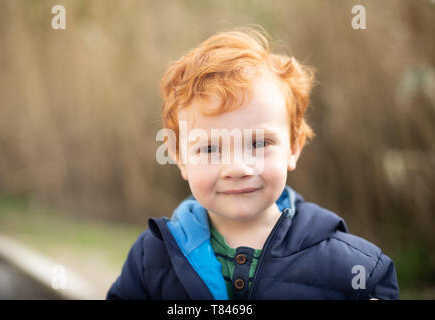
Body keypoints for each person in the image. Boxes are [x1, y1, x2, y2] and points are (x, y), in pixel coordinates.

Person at [106, 27, 399, 300]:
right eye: (210, 148)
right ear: (180, 157)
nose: (236, 168)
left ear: (294, 146)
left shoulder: (356, 271)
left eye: (259, 143)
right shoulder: (151, 259)